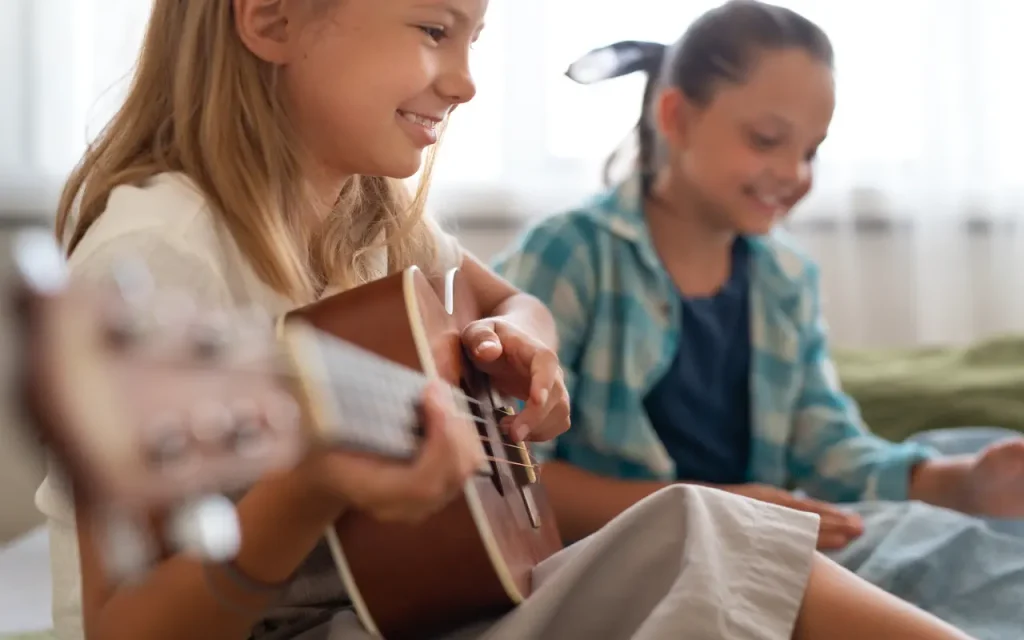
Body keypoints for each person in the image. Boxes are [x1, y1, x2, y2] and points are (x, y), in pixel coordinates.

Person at [35, 1, 974, 639]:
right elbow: (123, 625)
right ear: (272, 15)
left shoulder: (373, 215)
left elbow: (509, 300)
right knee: (702, 531)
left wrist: (534, 345)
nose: (466, 81)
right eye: (436, 28)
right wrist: (307, 488)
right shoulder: (154, 258)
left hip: (404, 606)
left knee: (706, 545)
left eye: (476, 38)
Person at [492, 0, 1024, 637]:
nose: (795, 174)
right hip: (635, 563)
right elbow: (511, 476)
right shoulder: (570, 255)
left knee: (961, 545)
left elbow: (829, 450)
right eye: (767, 141)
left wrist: (956, 484)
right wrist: (710, 510)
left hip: (774, 545)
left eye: (812, 151)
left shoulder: (786, 280)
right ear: (676, 117)